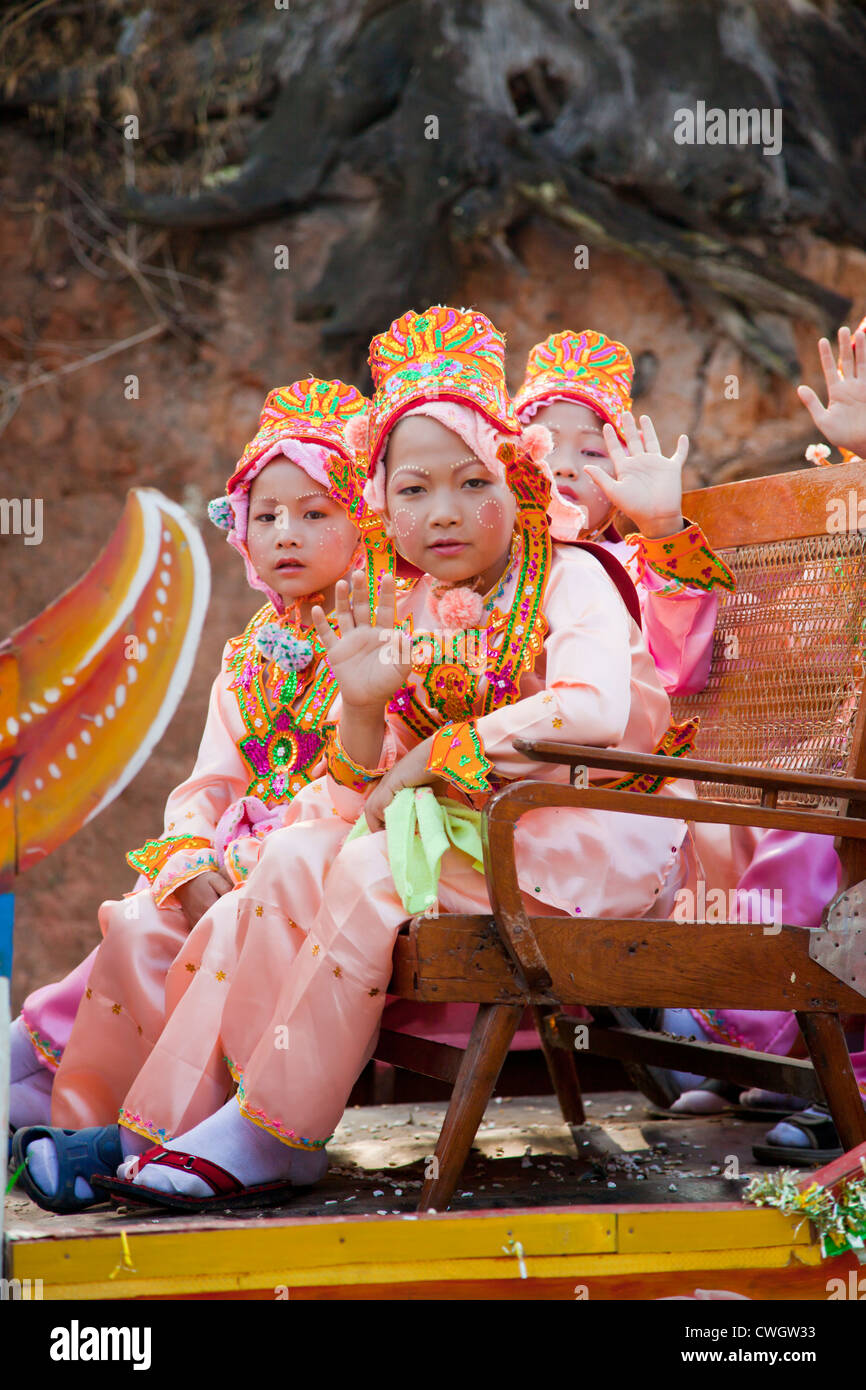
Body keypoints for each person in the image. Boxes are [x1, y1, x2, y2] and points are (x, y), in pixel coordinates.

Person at [69, 304, 699, 1211]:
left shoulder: (572, 573)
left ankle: (271, 1130)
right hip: (476, 837)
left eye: (471, 483)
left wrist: (438, 754)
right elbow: (364, 785)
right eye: (412, 490)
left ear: (517, 480)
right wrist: (362, 713)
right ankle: (180, 1122)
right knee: (287, 859)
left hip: (589, 839)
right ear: (382, 504)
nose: (443, 513)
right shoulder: (411, 606)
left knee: (369, 871)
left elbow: (594, 712)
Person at [11, 376, 396, 1208]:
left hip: (311, 863)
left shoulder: (382, 633)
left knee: (205, 927)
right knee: (144, 917)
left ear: (364, 523)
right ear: (241, 535)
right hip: (233, 862)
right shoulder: (247, 655)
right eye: (266, 516)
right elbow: (208, 784)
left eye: (315, 512)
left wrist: (251, 858)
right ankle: (90, 1118)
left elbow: (368, 781)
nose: (285, 535)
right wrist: (188, 855)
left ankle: (152, 1137)